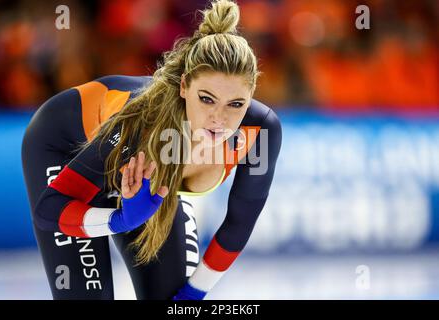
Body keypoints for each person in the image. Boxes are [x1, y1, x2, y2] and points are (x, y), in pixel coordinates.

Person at [21, 0, 282, 300]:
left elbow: (239, 223)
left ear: (251, 97)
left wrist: (192, 295)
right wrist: (119, 220)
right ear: (184, 87)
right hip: (65, 143)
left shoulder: (259, 132)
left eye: (236, 104)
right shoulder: (142, 124)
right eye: (207, 99)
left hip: (143, 177)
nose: (219, 119)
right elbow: (49, 210)